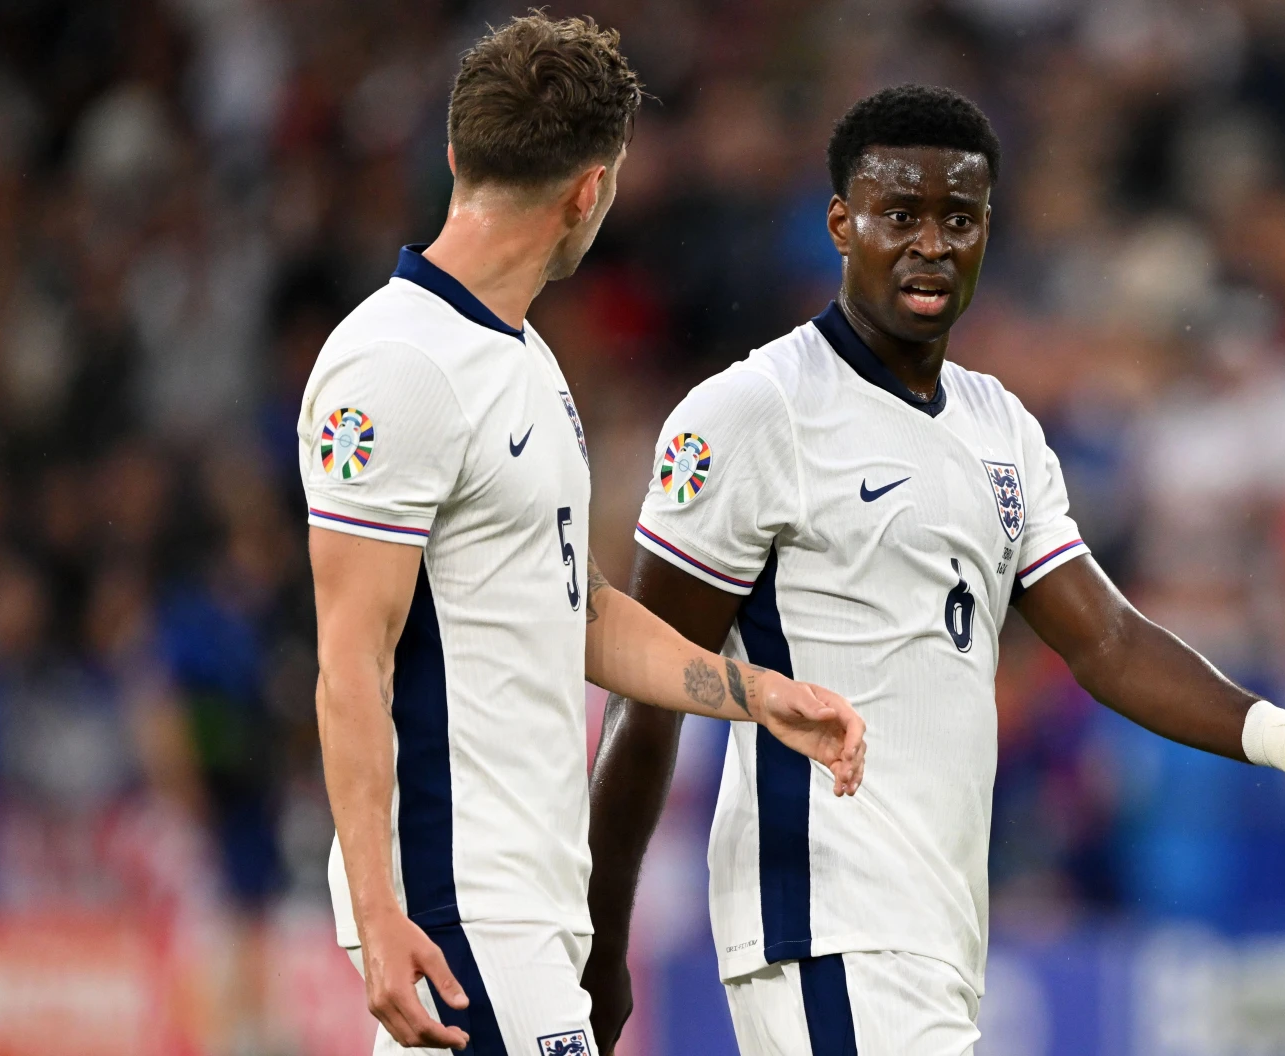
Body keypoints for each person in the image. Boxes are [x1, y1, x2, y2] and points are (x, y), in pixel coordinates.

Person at [582, 84, 1285, 1055]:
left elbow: (1104, 639)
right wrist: (600, 941)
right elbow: (649, 682)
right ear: (842, 225)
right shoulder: (752, 414)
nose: (931, 243)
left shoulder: (998, 427)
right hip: (824, 921)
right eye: (900, 215)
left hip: (938, 936)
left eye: (958, 219)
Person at [302, 16, 865, 1056]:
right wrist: (383, 913)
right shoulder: (396, 366)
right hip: (460, 905)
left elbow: (577, 606)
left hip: (517, 903)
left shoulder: (520, 358)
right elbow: (350, 658)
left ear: (456, 156)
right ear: (589, 191)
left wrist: (755, 695)